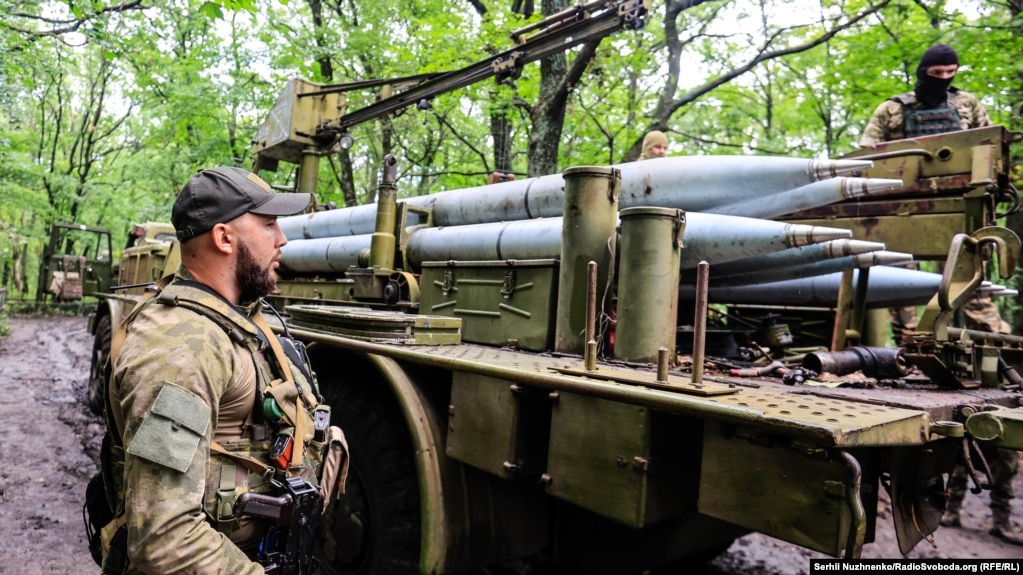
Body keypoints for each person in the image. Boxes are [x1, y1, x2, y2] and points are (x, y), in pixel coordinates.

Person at [99, 167, 348, 573]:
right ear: (224, 238)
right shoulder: (182, 348)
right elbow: (165, 538)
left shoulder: (234, 320)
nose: (282, 239)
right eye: (268, 224)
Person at [860, 44, 1021, 546]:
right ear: (921, 73)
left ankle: (997, 360)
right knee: (906, 310)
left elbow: (991, 151)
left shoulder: (968, 104)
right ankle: (914, 359)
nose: (944, 79)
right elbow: (867, 157)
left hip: (964, 218)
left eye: (950, 72)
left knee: (979, 306)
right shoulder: (892, 111)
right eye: (935, 73)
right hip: (904, 215)